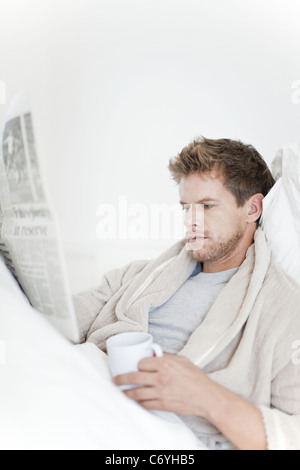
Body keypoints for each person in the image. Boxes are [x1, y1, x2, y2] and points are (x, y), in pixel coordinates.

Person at [73, 137, 300, 450]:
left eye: (206, 206)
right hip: (86, 402)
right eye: (186, 207)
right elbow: (59, 317)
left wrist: (205, 396)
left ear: (252, 208)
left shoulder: (284, 309)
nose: (191, 221)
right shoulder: (139, 277)